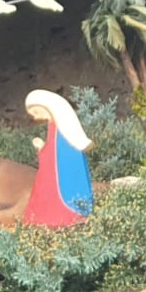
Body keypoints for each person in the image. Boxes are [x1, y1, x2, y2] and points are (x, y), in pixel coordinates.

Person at [21, 89, 94, 227]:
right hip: (58, 174)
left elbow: (54, 157)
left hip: (60, 181)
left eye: (36, 112)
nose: (36, 118)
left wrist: (41, 148)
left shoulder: (60, 127)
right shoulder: (56, 126)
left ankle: (56, 219)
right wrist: (43, 148)